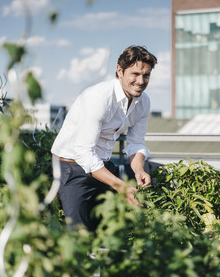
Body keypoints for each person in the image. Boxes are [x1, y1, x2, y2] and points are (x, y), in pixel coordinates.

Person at [51, 45, 157, 231]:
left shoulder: (143, 102)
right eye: (135, 74)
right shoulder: (98, 97)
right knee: (79, 235)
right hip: (72, 169)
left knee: (114, 231)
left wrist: (139, 170)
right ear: (120, 71)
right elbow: (84, 153)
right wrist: (121, 186)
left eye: (146, 75)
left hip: (102, 167)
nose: (141, 81)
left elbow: (136, 143)